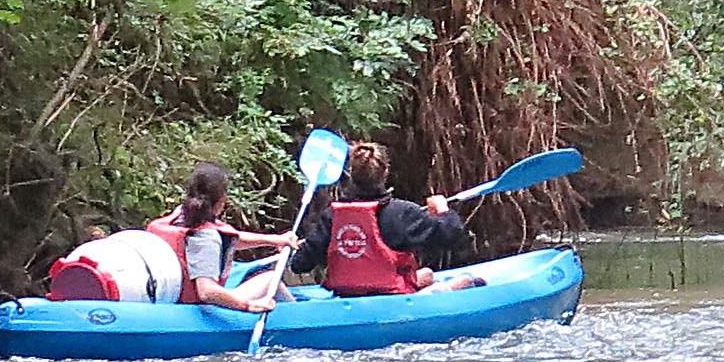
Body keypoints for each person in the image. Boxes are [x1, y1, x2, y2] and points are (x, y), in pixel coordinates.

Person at [43, 165, 284, 311]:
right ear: (221, 203)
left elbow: (228, 240)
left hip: (162, 293)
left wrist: (274, 240)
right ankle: (296, 315)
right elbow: (207, 292)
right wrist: (246, 305)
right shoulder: (206, 237)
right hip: (191, 307)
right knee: (270, 278)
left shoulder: (177, 218)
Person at [298, 140, 474, 296]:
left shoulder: (332, 215)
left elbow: (300, 264)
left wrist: (298, 249)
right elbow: (451, 233)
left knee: (426, 273)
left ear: (351, 173)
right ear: (386, 171)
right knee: (466, 280)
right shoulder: (403, 212)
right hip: (392, 298)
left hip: (348, 296)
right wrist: (443, 210)